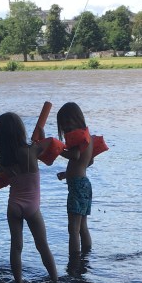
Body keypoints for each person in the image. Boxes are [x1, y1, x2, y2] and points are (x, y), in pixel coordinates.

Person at [0, 112, 58, 283]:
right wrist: (41, 134)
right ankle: (55, 281)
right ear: (20, 130)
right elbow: (51, 145)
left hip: (14, 206)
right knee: (42, 245)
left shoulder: (3, 160)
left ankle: (18, 282)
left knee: (16, 246)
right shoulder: (32, 150)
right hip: (32, 207)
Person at [55, 102, 95, 263]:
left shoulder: (79, 139)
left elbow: (75, 156)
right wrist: (67, 174)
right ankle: (86, 257)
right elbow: (88, 161)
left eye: (66, 123)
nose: (65, 128)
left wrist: (58, 150)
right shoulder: (88, 138)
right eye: (63, 125)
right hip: (85, 184)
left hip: (77, 186)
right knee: (82, 226)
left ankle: (74, 263)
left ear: (76, 119)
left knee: (73, 229)